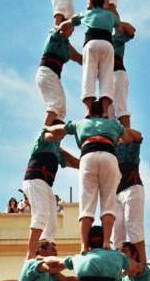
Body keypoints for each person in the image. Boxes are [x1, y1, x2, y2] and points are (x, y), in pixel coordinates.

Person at [45, 104, 140, 251]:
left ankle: (84, 245)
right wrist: (122, 133)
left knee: (86, 205)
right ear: (103, 112)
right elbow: (130, 137)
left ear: (88, 111)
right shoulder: (112, 123)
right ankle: (106, 243)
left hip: (88, 155)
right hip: (109, 155)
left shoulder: (80, 122)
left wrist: (46, 128)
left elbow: (59, 129)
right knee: (108, 204)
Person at [22, 127, 79, 259]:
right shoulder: (43, 139)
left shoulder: (57, 151)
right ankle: (30, 253)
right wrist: (62, 131)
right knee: (41, 215)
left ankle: (46, 250)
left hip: (46, 185)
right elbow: (49, 135)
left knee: (51, 224)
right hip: (34, 180)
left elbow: (77, 164)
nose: (63, 135)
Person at [60, 0, 118, 115]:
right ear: (103, 4)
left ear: (92, 3)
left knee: (88, 76)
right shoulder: (110, 15)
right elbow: (119, 25)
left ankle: (88, 111)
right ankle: (105, 112)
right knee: (106, 77)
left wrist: (59, 28)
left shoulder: (86, 13)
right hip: (107, 45)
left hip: (91, 44)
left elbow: (69, 23)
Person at [36, 25, 82, 125]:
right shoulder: (54, 35)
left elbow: (79, 58)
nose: (72, 31)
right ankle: (44, 133)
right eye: (71, 28)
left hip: (53, 75)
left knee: (61, 110)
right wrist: (72, 21)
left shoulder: (65, 44)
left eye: (73, 29)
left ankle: (52, 137)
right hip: (47, 72)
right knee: (55, 104)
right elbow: (60, 29)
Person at [113, 133, 146, 263]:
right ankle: (118, 266)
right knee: (117, 232)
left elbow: (138, 137)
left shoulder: (130, 147)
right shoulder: (111, 150)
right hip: (116, 193)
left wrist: (120, 128)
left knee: (133, 226)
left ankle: (143, 264)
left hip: (132, 188)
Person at [111, 21, 136, 126]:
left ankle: (127, 135)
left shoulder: (115, 39)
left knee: (120, 107)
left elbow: (131, 31)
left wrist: (112, 19)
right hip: (106, 78)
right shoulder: (94, 41)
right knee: (109, 112)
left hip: (117, 73)